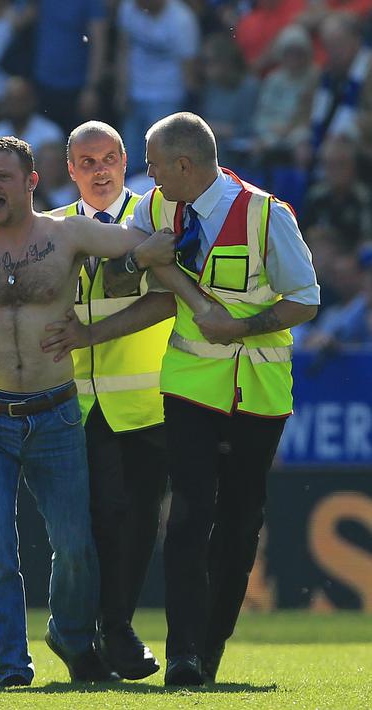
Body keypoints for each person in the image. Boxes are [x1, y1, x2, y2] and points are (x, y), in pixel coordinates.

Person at [0, 136, 189, 687]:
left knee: (76, 545)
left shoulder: (65, 234)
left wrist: (147, 252)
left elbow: (139, 240)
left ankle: (71, 637)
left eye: (4, 177)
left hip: (57, 414)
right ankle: (11, 666)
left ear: (31, 181)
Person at [41, 113, 320, 686]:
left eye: (154, 164)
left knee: (241, 524)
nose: (147, 176)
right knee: (191, 512)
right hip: (188, 382)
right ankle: (184, 654)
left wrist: (241, 328)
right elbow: (129, 283)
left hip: (260, 392)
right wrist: (144, 264)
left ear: (184, 166)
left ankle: (209, 650)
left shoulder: (268, 216)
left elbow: (306, 299)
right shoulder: (155, 210)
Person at [47, 121, 170, 680]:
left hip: (145, 399)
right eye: (87, 162)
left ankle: (108, 627)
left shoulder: (153, 218)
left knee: (140, 519)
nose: (100, 171)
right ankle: (105, 631)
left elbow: (170, 300)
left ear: (125, 161)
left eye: (108, 159)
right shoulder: (50, 230)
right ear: (70, 170)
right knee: (96, 521)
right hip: (77, 404)